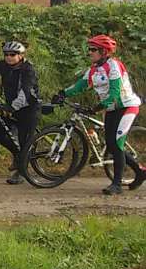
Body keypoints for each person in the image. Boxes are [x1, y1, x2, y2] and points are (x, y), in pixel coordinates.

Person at [53, 34, 144, 195]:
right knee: (111, 144)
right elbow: (80, 85)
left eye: (93, 49)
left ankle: (116, 184)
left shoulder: (114, 66)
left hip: (126, 107)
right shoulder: (94, 69)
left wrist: (97, 107)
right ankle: (140, 171)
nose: (89, 52)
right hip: (110, 109)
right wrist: (63, 93)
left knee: (116, 144)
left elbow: (115, 93)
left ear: (104, 51)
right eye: (89, 49)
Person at [0, 41, 41, 185]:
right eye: (6, 54)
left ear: (21, 56)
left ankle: (21, 172)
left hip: (29, 109)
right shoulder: (2, 65)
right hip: (11, 107)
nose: (9, 57)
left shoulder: (28, 70)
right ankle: (18, 156)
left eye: (13, 54)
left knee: (24, 142)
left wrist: (13, 107)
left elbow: (26, 91)